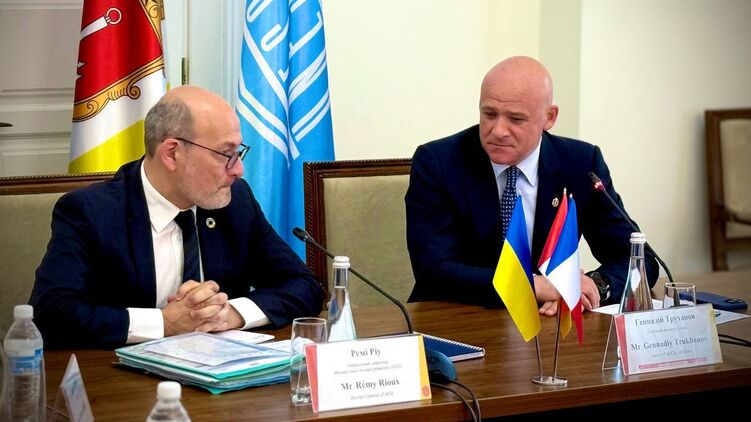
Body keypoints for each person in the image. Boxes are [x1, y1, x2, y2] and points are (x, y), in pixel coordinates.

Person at [30, 86, 325, 349]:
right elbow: (51, 313)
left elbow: (305, 285)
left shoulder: (236, 201)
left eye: (238, 152)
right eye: (226, 154)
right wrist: (164, 323)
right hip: (118, 382)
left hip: (219, 377)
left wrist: (231, 313)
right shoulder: (91, 212)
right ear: (172, 153)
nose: (238, 170)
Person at [405, 56, 658, 315]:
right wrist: (531, 286)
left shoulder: (581, 164)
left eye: (515, 119)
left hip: (547, 324)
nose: (498, 130)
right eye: (489, 114)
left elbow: (641, 260)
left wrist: (593, 286)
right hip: (458, 319)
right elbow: (433, 270)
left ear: (549, 117)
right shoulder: (438, 162)